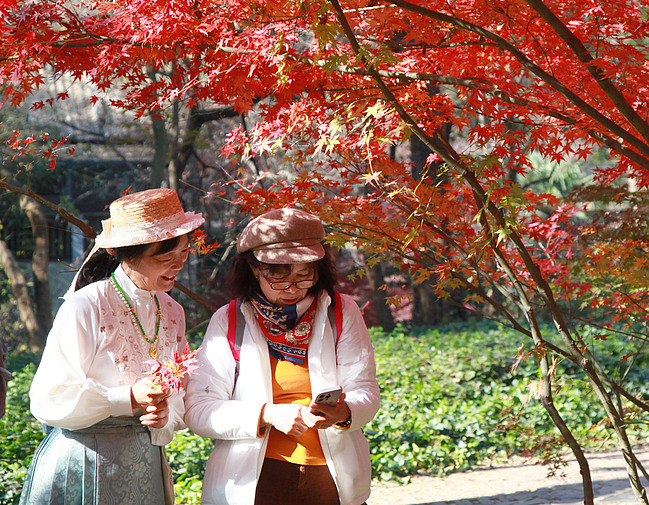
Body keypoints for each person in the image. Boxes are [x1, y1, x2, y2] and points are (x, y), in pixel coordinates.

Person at [19, 188, 203, 505]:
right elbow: (48, 399)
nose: (178, 265)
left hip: (145, 465)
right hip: (84, 463)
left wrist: (164, 414)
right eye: (165, 257)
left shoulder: (173, 311)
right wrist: (127, 397)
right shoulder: (86, 305)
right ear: (127, 254)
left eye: (184, 254)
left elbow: (180, 393)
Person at [185, 207, 380, 505]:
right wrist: (267, 414)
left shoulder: (340, 311)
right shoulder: (230, 320)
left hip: (335, 481)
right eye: (280, 278)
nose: (294, 290)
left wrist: (344, 413)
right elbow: (199, 409)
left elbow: (364, 388)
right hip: (254, 483)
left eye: (305, 276)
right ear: (253, 269)